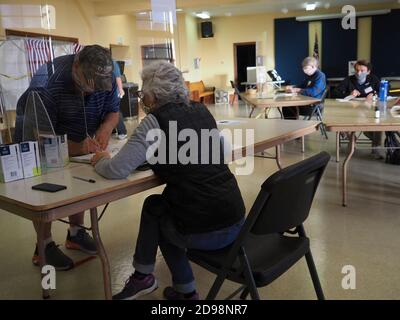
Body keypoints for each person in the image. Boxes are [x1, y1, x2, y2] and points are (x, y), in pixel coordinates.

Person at [91, 61, 245, 300]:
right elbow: (219, 152)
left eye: (143, 92)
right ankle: (181, 290)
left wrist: (100, 159)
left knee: (158, 216)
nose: (143, 97)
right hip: (236, 218)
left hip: (206, 230)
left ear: (153, 93)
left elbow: (117, 169)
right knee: (160, 205)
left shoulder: (154, 121)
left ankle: (145, 278)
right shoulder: (202, 110)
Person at [15, 45, 120, 270]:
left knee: (79, 179)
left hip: (77, 130)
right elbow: (43, 141)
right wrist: (76, 147)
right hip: (39, 133)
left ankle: (76, 234)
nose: (91, 91)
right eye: (85, 84)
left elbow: (113, 111)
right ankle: (44, 245)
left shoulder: (106, 75)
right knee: (46, 188)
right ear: (75, 66)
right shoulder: (47, 85)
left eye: (97, 87)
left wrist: (105, 128)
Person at [334, 60, 382, 156]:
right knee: (339, 120)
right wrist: (349, 94)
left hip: (369, 110)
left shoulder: (373, 79)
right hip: (351, 110)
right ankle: (352, 139)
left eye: (362, 70)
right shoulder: (349, 79)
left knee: (378, 123)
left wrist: (374, 94)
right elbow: (335, 92)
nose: (359, 73)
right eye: (356, 70)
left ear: (368, 72)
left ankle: (375, 147)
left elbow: (384, 90)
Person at [112, 60, 128, 140]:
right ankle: (112, 130)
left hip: (114, 93)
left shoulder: (113, 63)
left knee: (116, 111)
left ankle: (122, 132)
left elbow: (118, 78)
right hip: (107, 93)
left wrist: (121, 89)